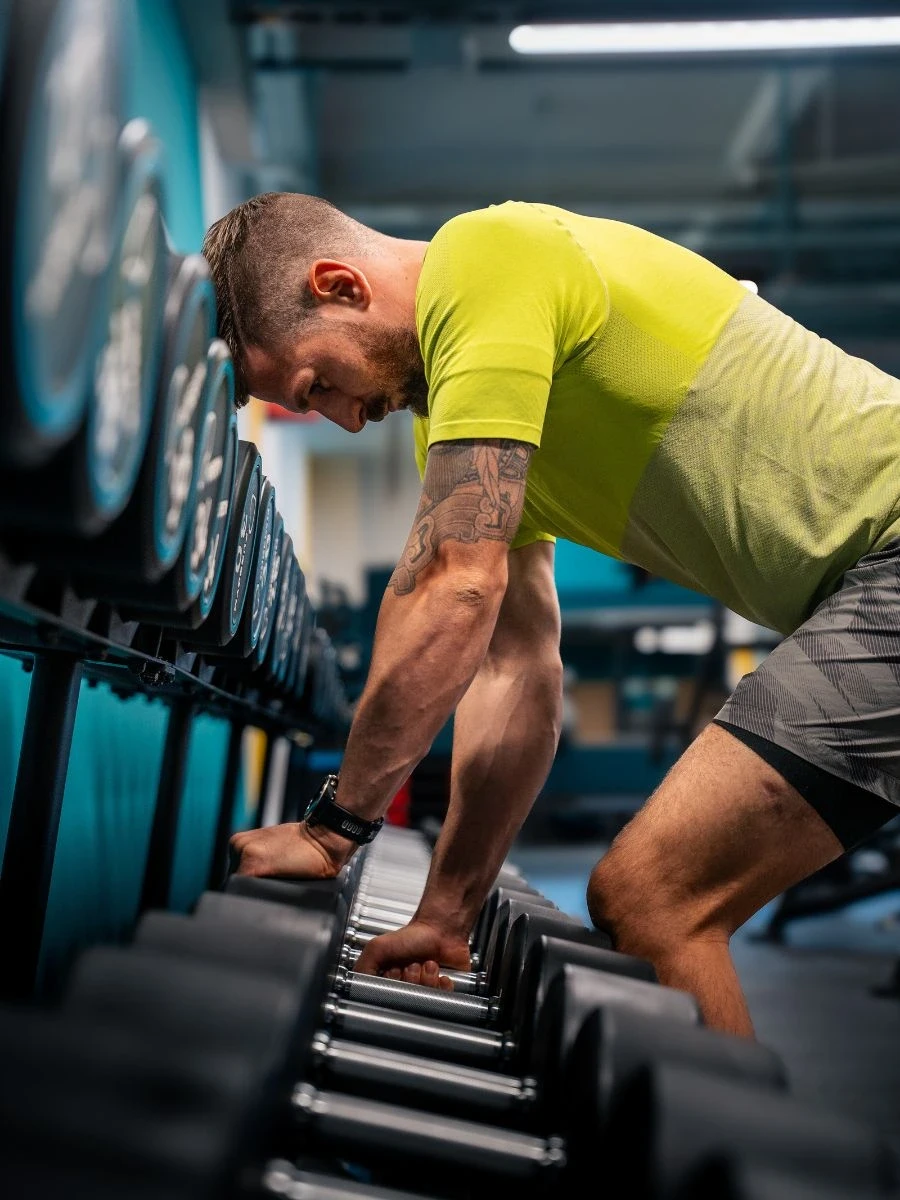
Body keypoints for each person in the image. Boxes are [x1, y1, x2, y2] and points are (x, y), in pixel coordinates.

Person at [204, 193, 900, 1036]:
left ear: (339, 285)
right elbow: (512, 670)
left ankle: (725, 1169)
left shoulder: (487, 258)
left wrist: (332, 831)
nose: (344, 419)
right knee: (656, 896)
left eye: (316, 385)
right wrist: (448, 912)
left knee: (654, 897)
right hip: (862, 588)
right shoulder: (459, 424)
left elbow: (453, 590)